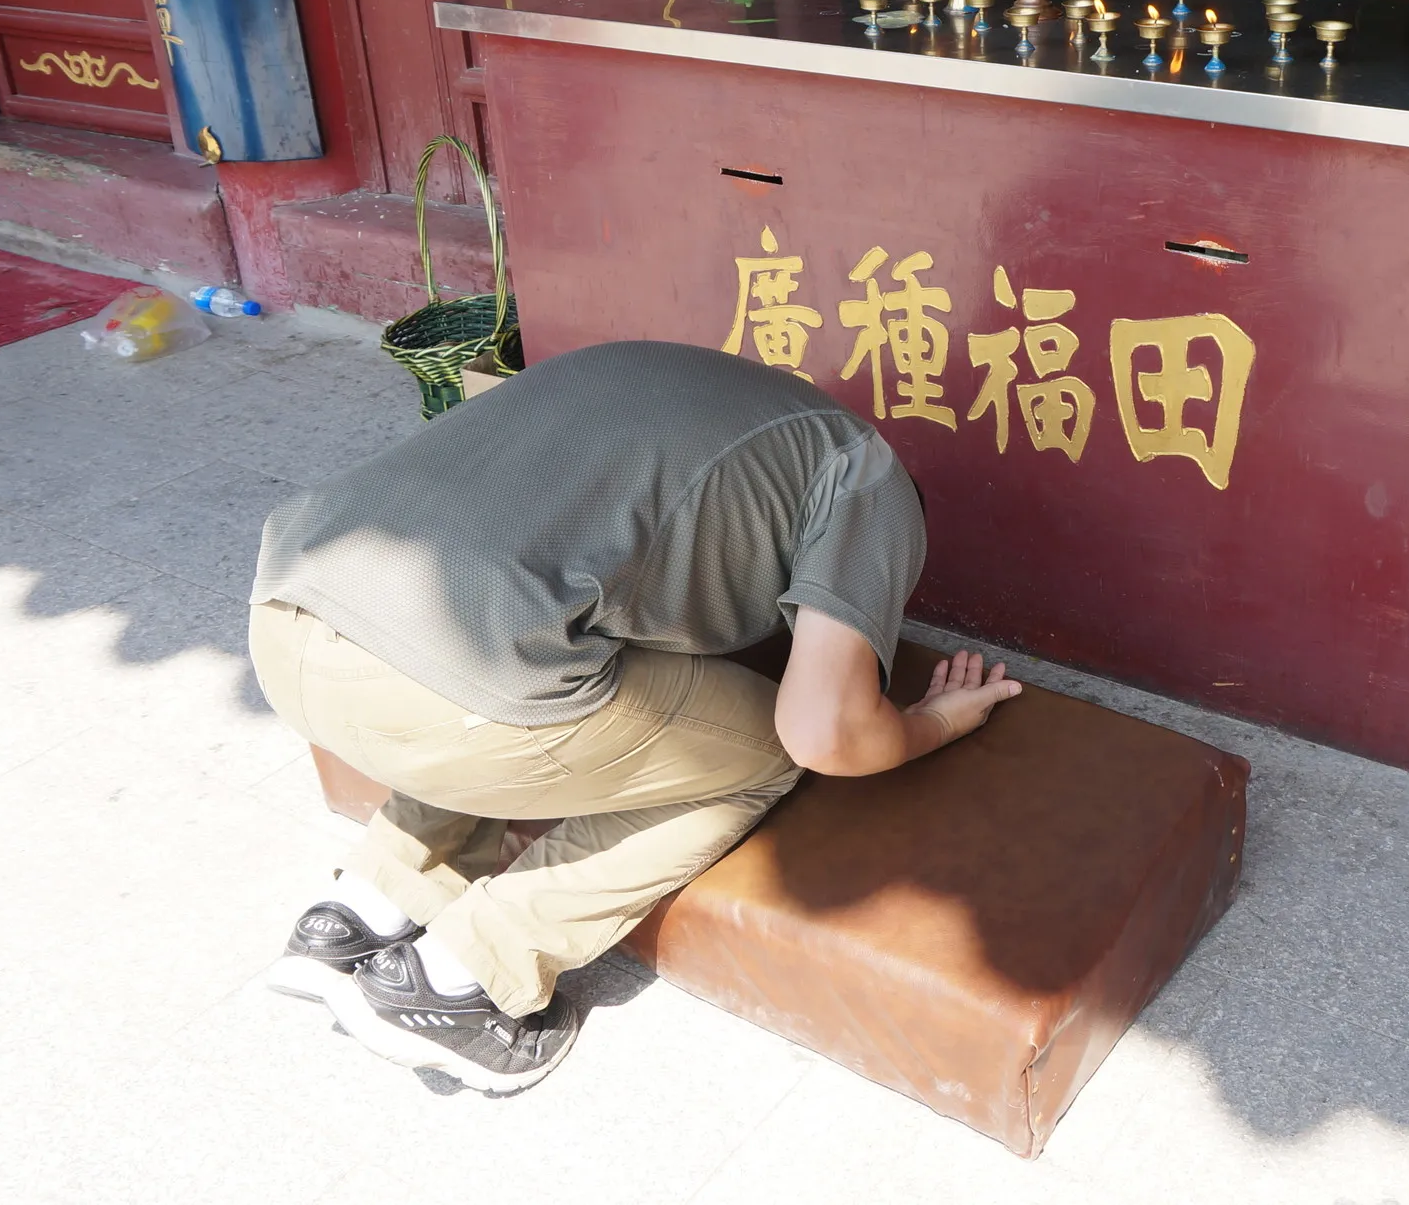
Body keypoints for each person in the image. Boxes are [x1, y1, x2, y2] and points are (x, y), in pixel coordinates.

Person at [246, 340, 1022, 1092]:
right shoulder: (871, 479)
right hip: (452, 701)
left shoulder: (661, 376)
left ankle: (366, 905)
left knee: (514, 637)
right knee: (759, 753)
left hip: (286, 615)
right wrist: (937, 723)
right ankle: (462, 976)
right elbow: (822, 730)